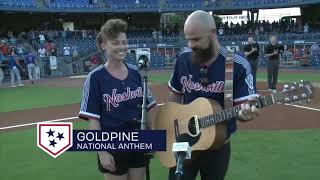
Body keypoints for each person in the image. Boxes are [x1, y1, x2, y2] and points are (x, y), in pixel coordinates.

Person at [167, 10, 260, 180]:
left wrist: (246, 113)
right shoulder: (184, 58)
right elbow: (175, 95)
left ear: (213, 34)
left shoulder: (237, 65)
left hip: (217, 145)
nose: (190, 45)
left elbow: (243, 110)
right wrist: (173, 127)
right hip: (184, 141)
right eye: (188, 39)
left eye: (195, 39)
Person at [78, 19, 156, 180]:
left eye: (124, 42)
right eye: (115, 43)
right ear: (103, 45)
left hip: (137, 142)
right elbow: (93, 119)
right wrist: (102, 151)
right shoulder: (95, 78)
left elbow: (149, 107)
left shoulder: (137, 73)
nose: (121, 47)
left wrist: (152, 137)